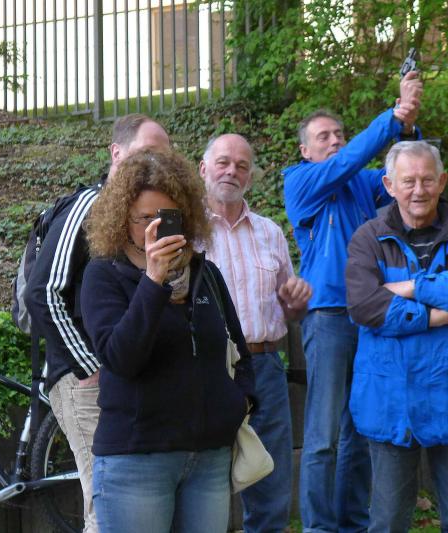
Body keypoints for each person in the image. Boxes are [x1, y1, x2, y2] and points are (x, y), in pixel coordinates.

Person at [80, 148, 255, 533]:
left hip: (208, 458)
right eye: (145, 218)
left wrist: (239, 402)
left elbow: (240, 352)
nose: (155, 227)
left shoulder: (205, 274)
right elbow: (120, 358)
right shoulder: (103, 275)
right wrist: (153, 281)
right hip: (137, 460)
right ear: (122, 217)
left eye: (167, 216)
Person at [283, 71, 423, 532]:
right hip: (327, 316)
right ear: (305, 150)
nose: (335, 141)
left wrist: (407, 128)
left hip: (370, 314)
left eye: (339, 134)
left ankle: (352, 524)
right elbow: (351, 160)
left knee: (359, 429)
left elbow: (405, 176)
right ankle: (319, 528)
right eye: (324, 136)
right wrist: (392, 116)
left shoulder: (363, 183)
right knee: (322, 436)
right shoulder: (301, 181)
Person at [345, 140, 448, 532]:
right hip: (390, 401)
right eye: (408, 181)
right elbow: (364, 306)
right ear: (389, 185)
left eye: (428, 179)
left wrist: (414, 287)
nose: (419, 190)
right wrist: (433, 316)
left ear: (442, 181)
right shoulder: (368, 238)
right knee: (387, 522)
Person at [24, 113, 170, 533]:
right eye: (147, 152)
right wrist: (89, 367)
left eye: (164, 155)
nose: (156, 163)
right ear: (116, 153)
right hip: (86, 380)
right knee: (107, 509)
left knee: (126, 505)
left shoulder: (144, 214)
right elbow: (42, 292)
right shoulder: (89, 206)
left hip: (127, 376)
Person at [200, 133, 312, 532]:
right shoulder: (187, 231)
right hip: (206, 369)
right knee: (203, 476)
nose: (232, 171)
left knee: (270, 478)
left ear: (250, 177)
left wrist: (295, 301)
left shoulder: (270, 232)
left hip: (264, 365)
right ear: (204, 169)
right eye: (223, 162)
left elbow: (289, 309)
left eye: (242, 166)